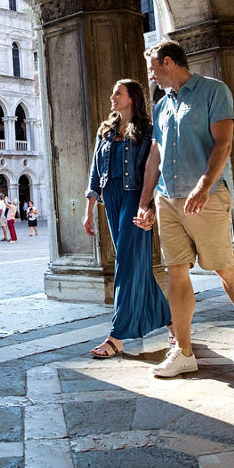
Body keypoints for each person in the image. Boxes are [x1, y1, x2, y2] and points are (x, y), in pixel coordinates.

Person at [136, 40, 234, 378]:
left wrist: (204, 187)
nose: (151, 74)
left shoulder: (213, 92)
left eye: (153, 67)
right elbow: (154, 159)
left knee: (223, 268)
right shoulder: (161, 107)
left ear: (170, 62)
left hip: (207, 196)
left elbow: (224, 142)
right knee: (176, 270)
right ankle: (184, 351)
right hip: (168, 199)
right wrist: (145, 202)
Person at [82, 80, 170, 358]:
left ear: (132, 98)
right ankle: (173, 321)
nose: (112, 97)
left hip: (135, 198)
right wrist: (89, 209)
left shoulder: (147, 130)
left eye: (117, 93)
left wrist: (150, 206)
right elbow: (95, 172)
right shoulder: (105, 131)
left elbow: (153, 171)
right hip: (112, 198)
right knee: (135, 266)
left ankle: (116, 336)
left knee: (126, 264)